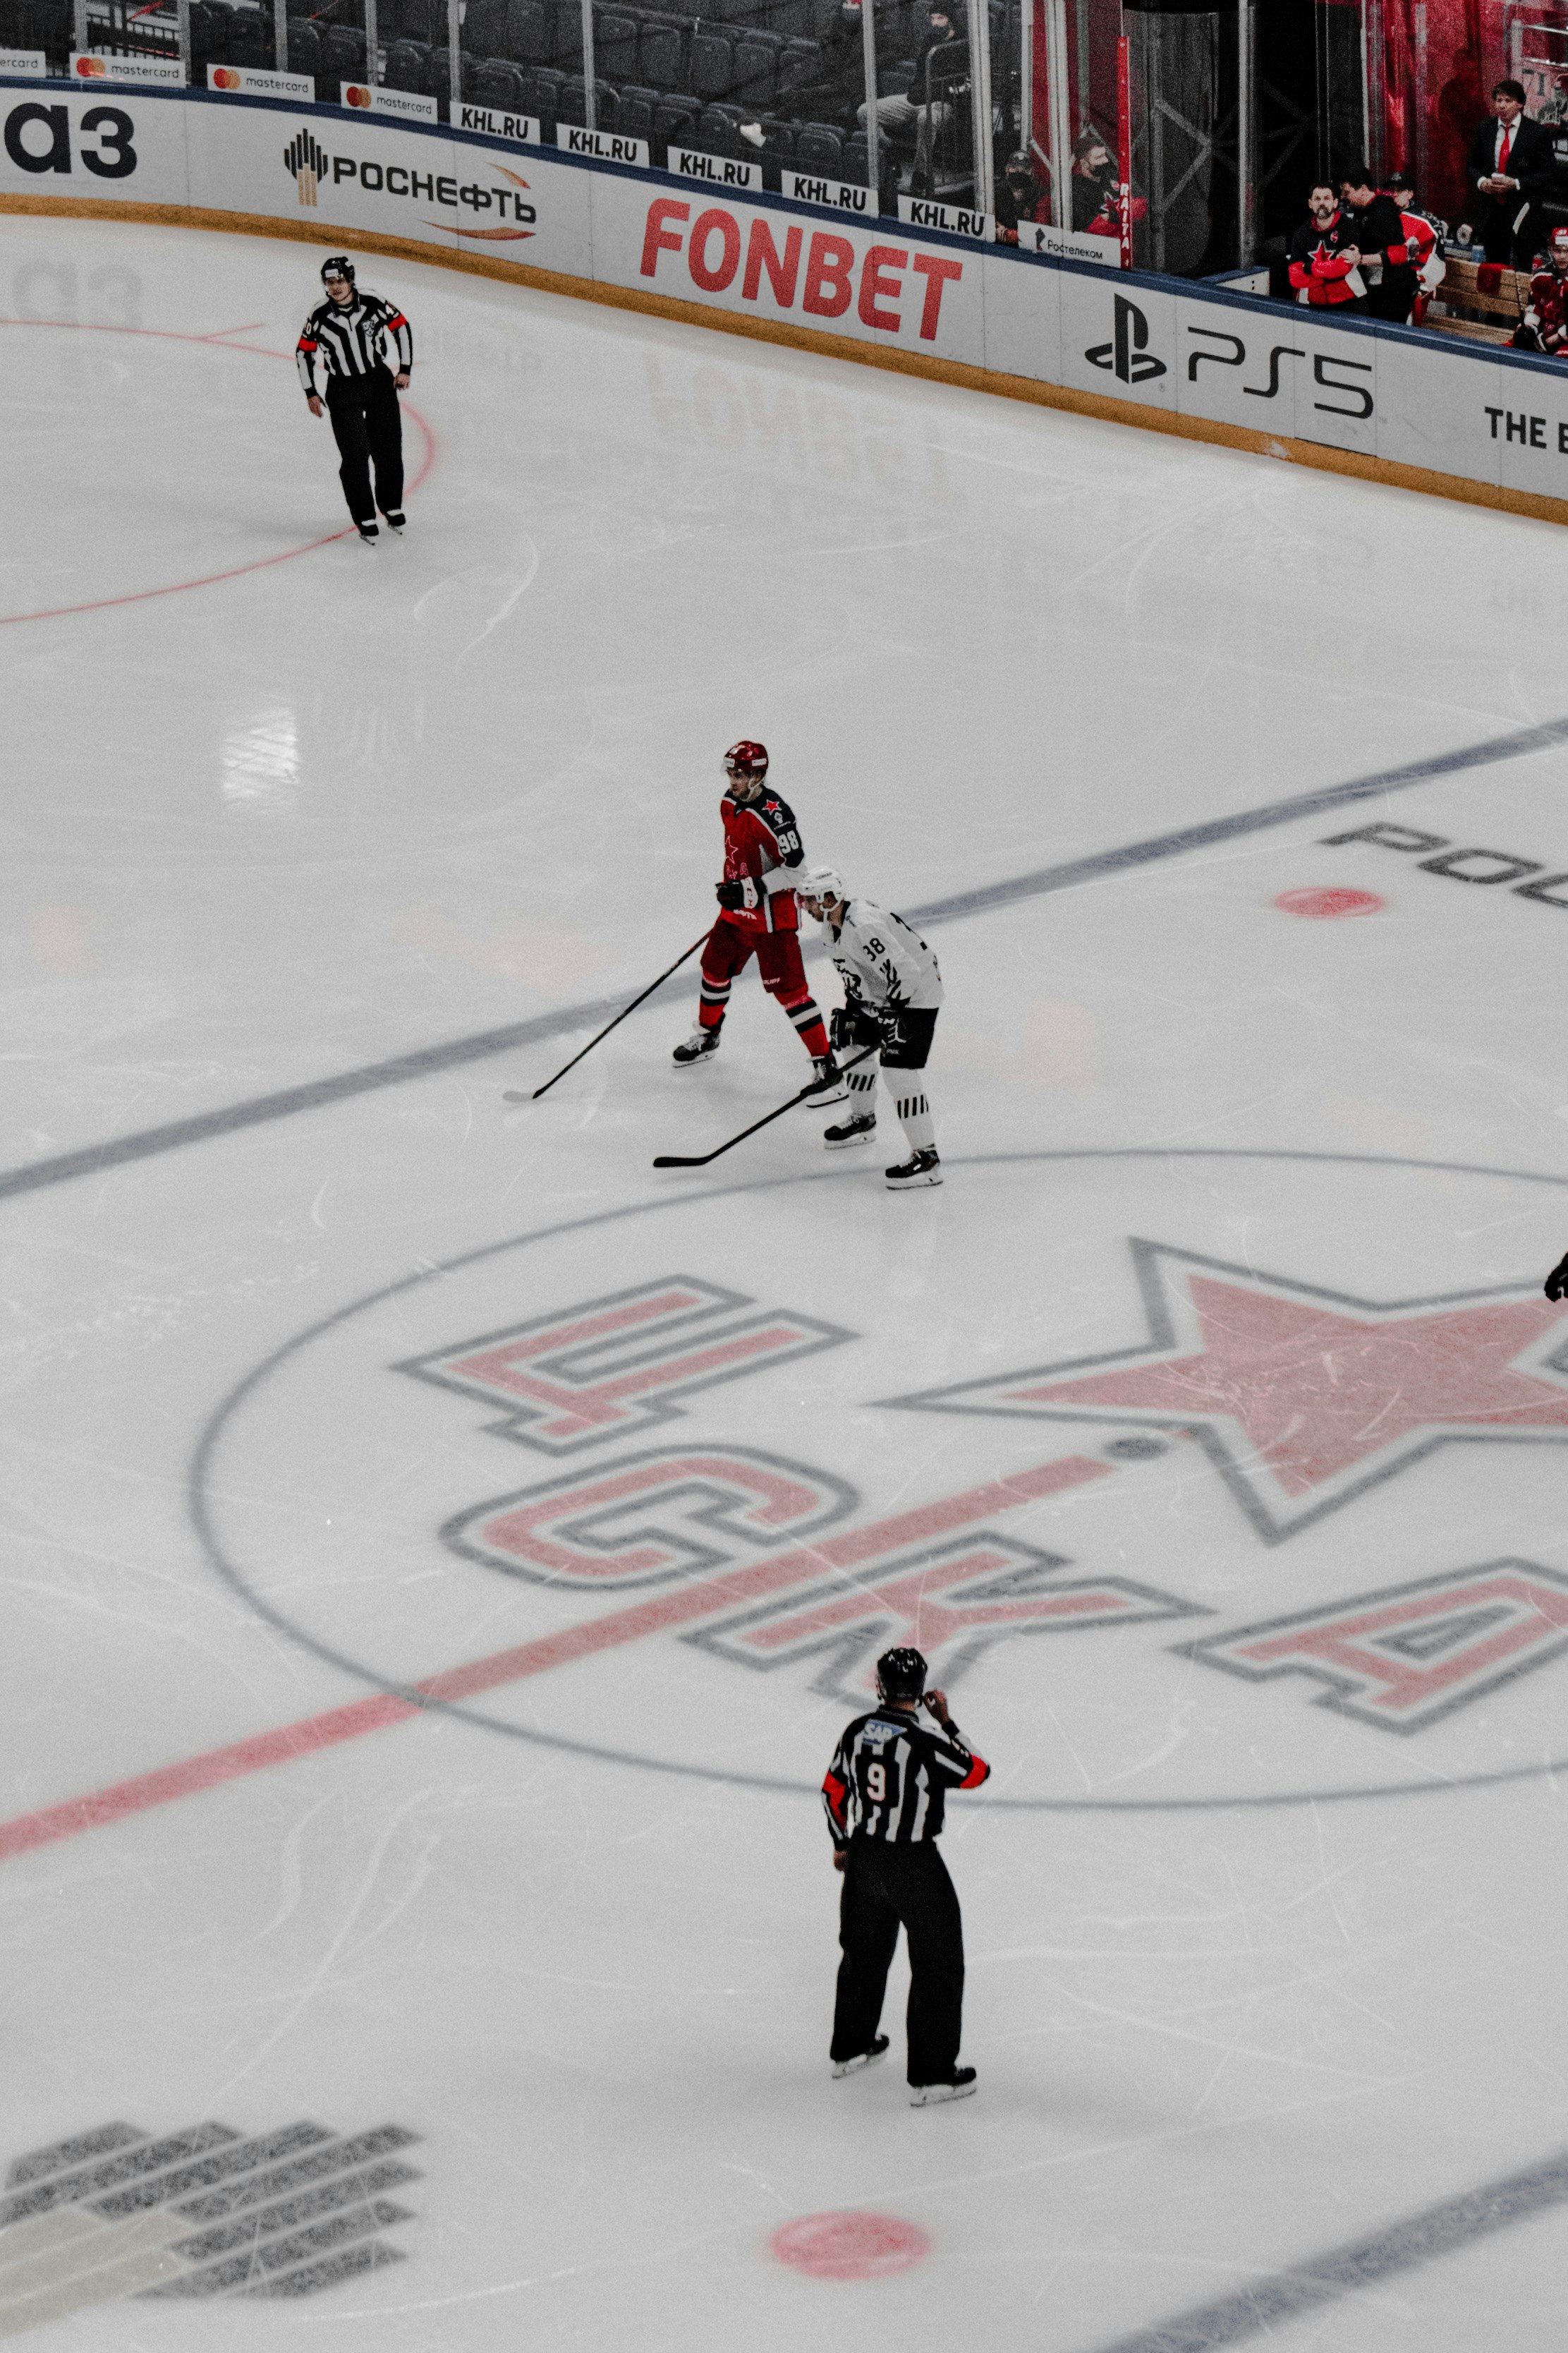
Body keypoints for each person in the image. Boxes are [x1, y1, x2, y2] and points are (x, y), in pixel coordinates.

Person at [822, 1645, 988, 2105]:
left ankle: (850, 2048)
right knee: (938, 1962)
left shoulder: (856, 1731)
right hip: (913, 1862)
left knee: (862, 1953)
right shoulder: (923, 1741)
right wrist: (948, 1722)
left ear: (878, 1685)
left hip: (864, 1857)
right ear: (920, 1690)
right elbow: (976, 1771)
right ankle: (932, 2075)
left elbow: (832, 1790)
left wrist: (841, 1843)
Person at [672, 742, 842, 1097]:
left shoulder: (775, 816)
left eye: (739, 775)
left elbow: (797, 873)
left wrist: (751, 890)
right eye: (730, 774)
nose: (732, 781)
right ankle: (708, 1035)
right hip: (736, 914)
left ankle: (825, 1063)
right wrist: (736, 893)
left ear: (758, 775)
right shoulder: (728, 803)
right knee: (713, 970)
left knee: (790, 993)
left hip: (771, 919)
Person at [797, 864, 943, 1190]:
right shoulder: (832, 928)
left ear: (828, 899)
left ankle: (927, 1158)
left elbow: (905, 973)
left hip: (916, 995)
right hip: (883, 994)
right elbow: (861, 974)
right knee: (853, 1042)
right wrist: (859, 1011)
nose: (803, 907)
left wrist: (891, 1013)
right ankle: (863, 1121)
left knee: (899, 1074)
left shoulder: (863, 926)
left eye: (808, 900)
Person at [296, 255, 412, 545]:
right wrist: (310, 391)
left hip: (378, 382)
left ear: (350, 280)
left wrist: (405, 369)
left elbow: (401, 326)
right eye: (329, 282)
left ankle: (390, 504)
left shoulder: (373, 301)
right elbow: (303, 352)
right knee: (355, 455)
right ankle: (364, 516)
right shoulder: (320, 314)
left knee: (388, 447)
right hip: (342, 388)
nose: (334, 287)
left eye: (339, 281)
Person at [1465, 79, 1553, 267]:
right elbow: (1472, 165)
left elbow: (1548, 173)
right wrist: (1482, 182)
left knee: (1523, 263)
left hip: (1523, 209)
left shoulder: (1536, 133)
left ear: (1520, 104)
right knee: (1495, 264)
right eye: (1498, 100)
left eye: (1508, 101)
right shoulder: (1485, 128)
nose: (1502, 106)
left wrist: (1516, 183)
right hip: (1492, 209)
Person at [1339, 163, 1416, 320]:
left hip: (1392, 291)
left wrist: (1361, 260)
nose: (1342, 197)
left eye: (1347, 192)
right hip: (1376, 286)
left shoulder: (1382, 212)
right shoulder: (1363, 210)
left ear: (1363, 189)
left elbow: (1399, 254)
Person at [1287, 183, 1366, 308]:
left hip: (1349, 302)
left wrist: (1308, 269)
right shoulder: (1301, 234)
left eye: (1327, 198)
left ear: (1335, 203)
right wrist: (1331, 275)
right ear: (1310, 204)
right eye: (1317, 199)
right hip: (1311, 303)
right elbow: (1295, 277)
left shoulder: (1348, 227)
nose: (1322, 203)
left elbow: (1343, 268)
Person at [1384, 168, 1447, 324]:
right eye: (1391, 190)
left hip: (1420, 282)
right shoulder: (1388, 213)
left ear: (1410, 194)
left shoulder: (1422, 221)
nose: (1394, 194)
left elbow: (1408, 253)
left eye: (1400, 191)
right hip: (1399, 280)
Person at [1514, 226, 1568, 353]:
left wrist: (1549, 341)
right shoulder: (1541, 277)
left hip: (1563, 338)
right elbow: (1535, 308)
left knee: (1562, 355)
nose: (1562, 256)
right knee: (1519, 340)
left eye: (1567, 251)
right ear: (1550, 250)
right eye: (1558, 250)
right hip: (1545, 331)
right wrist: (1530, 328)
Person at [1069, 126, 1119, 234]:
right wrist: (1121, 214)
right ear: (1084, 163)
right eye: (1099, 157)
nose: (1105, 160)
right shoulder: (1075, 188)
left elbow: (1140, 205)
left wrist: (1109, 217)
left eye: (1105, 155)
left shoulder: (1112, 173)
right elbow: (1089, 226)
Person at [993, 149, 1047, 242]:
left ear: (1031, 171)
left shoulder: (1038, 194)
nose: (1019, 172)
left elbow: (1041, 232)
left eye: (1024, 169)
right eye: (1014, 167)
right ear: (1007, 168)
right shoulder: (997, 192)